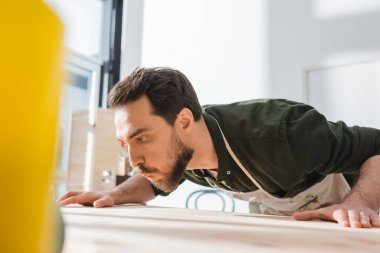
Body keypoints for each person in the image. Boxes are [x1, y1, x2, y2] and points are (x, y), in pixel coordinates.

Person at [58, 67, 380, 228]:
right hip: (279, 219)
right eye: (125, 144)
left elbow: (377, 147)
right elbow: (153, 180)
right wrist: (113, 196)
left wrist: (358, 203)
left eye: (142, 138)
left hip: (344, 213)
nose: (134, 160)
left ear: (184, 122)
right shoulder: (180, 151)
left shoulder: (283, 132)